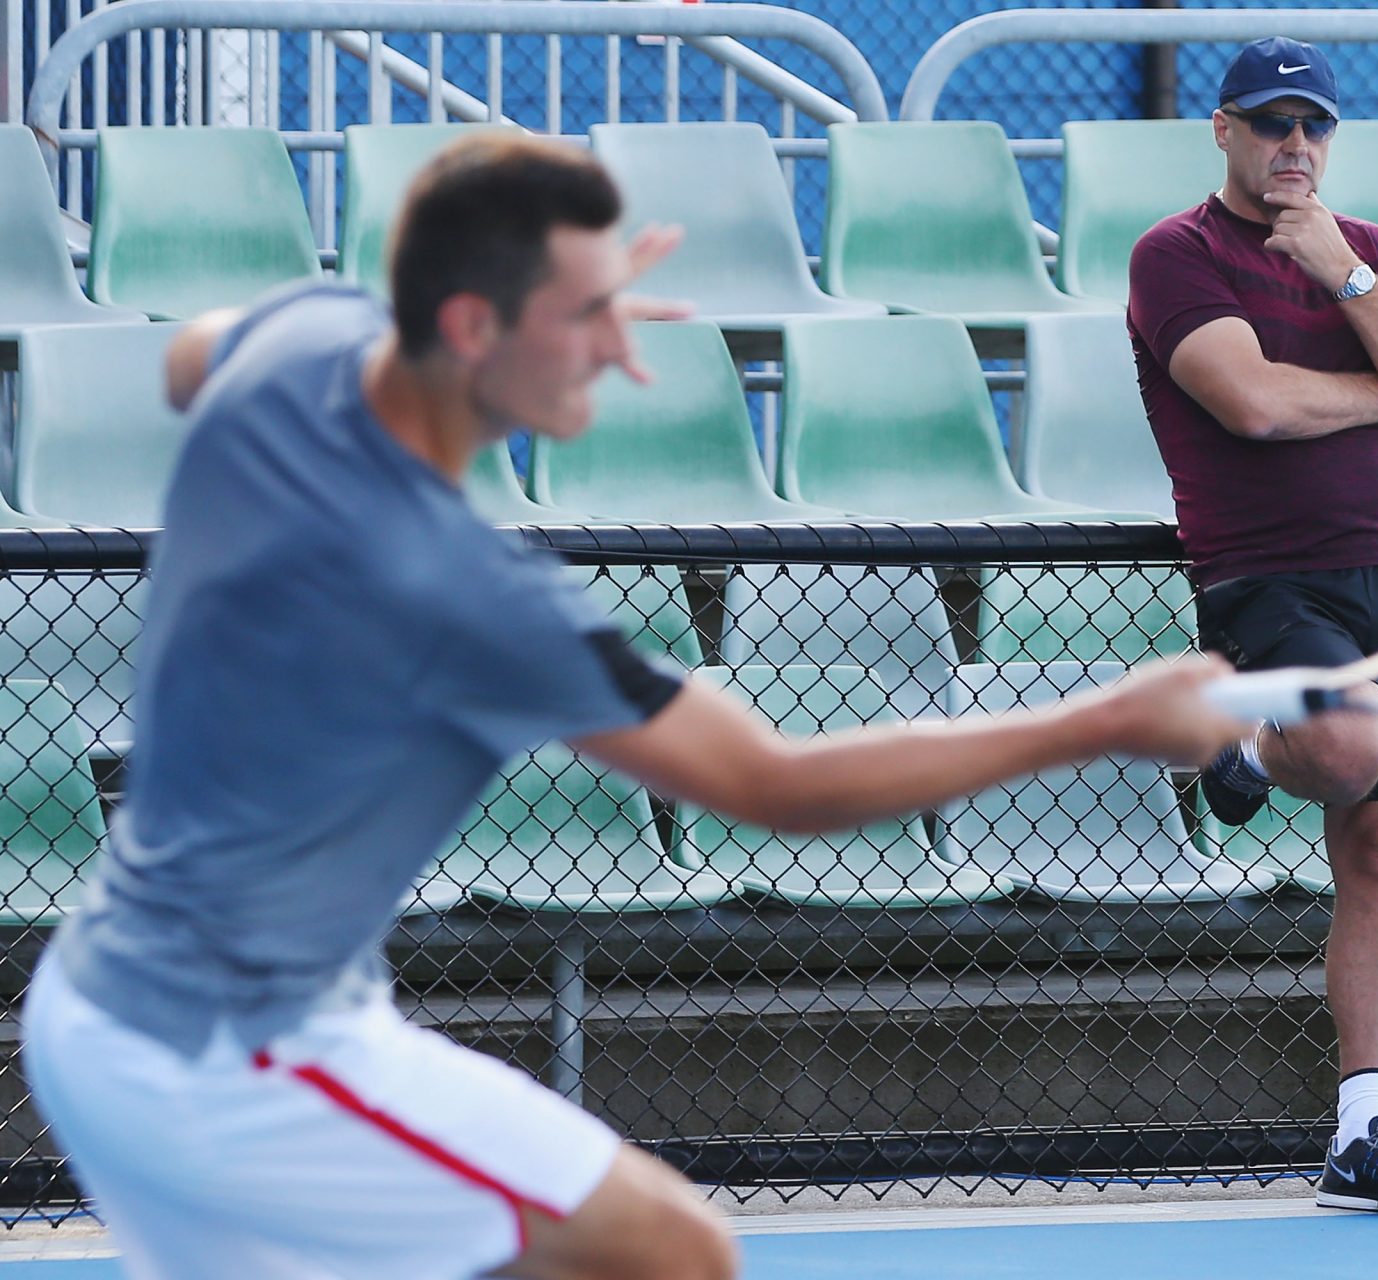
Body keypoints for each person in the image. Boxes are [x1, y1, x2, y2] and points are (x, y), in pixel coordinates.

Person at [22, 134, 1250, 1280]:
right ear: (467, 324)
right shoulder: (458, 590)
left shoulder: (303, 347)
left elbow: (196, 353)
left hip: (132, 999)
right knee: (669, 1249)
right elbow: (777, 784)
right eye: (589, 318)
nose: (627, 350)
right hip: (220, 1052)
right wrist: (1108, 719)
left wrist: (552, 306)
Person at [1126, 37, 1378, 1219]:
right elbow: (1255, 402)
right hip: (1267, 577)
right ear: (1221, 129)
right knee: (1350, 746)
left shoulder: (1366, 250)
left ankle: (1362, 1130)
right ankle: (1242, 740)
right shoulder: (1174, 253)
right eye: (1271, 123)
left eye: (1313, 126)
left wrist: (1346, 278)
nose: (1295, 145)